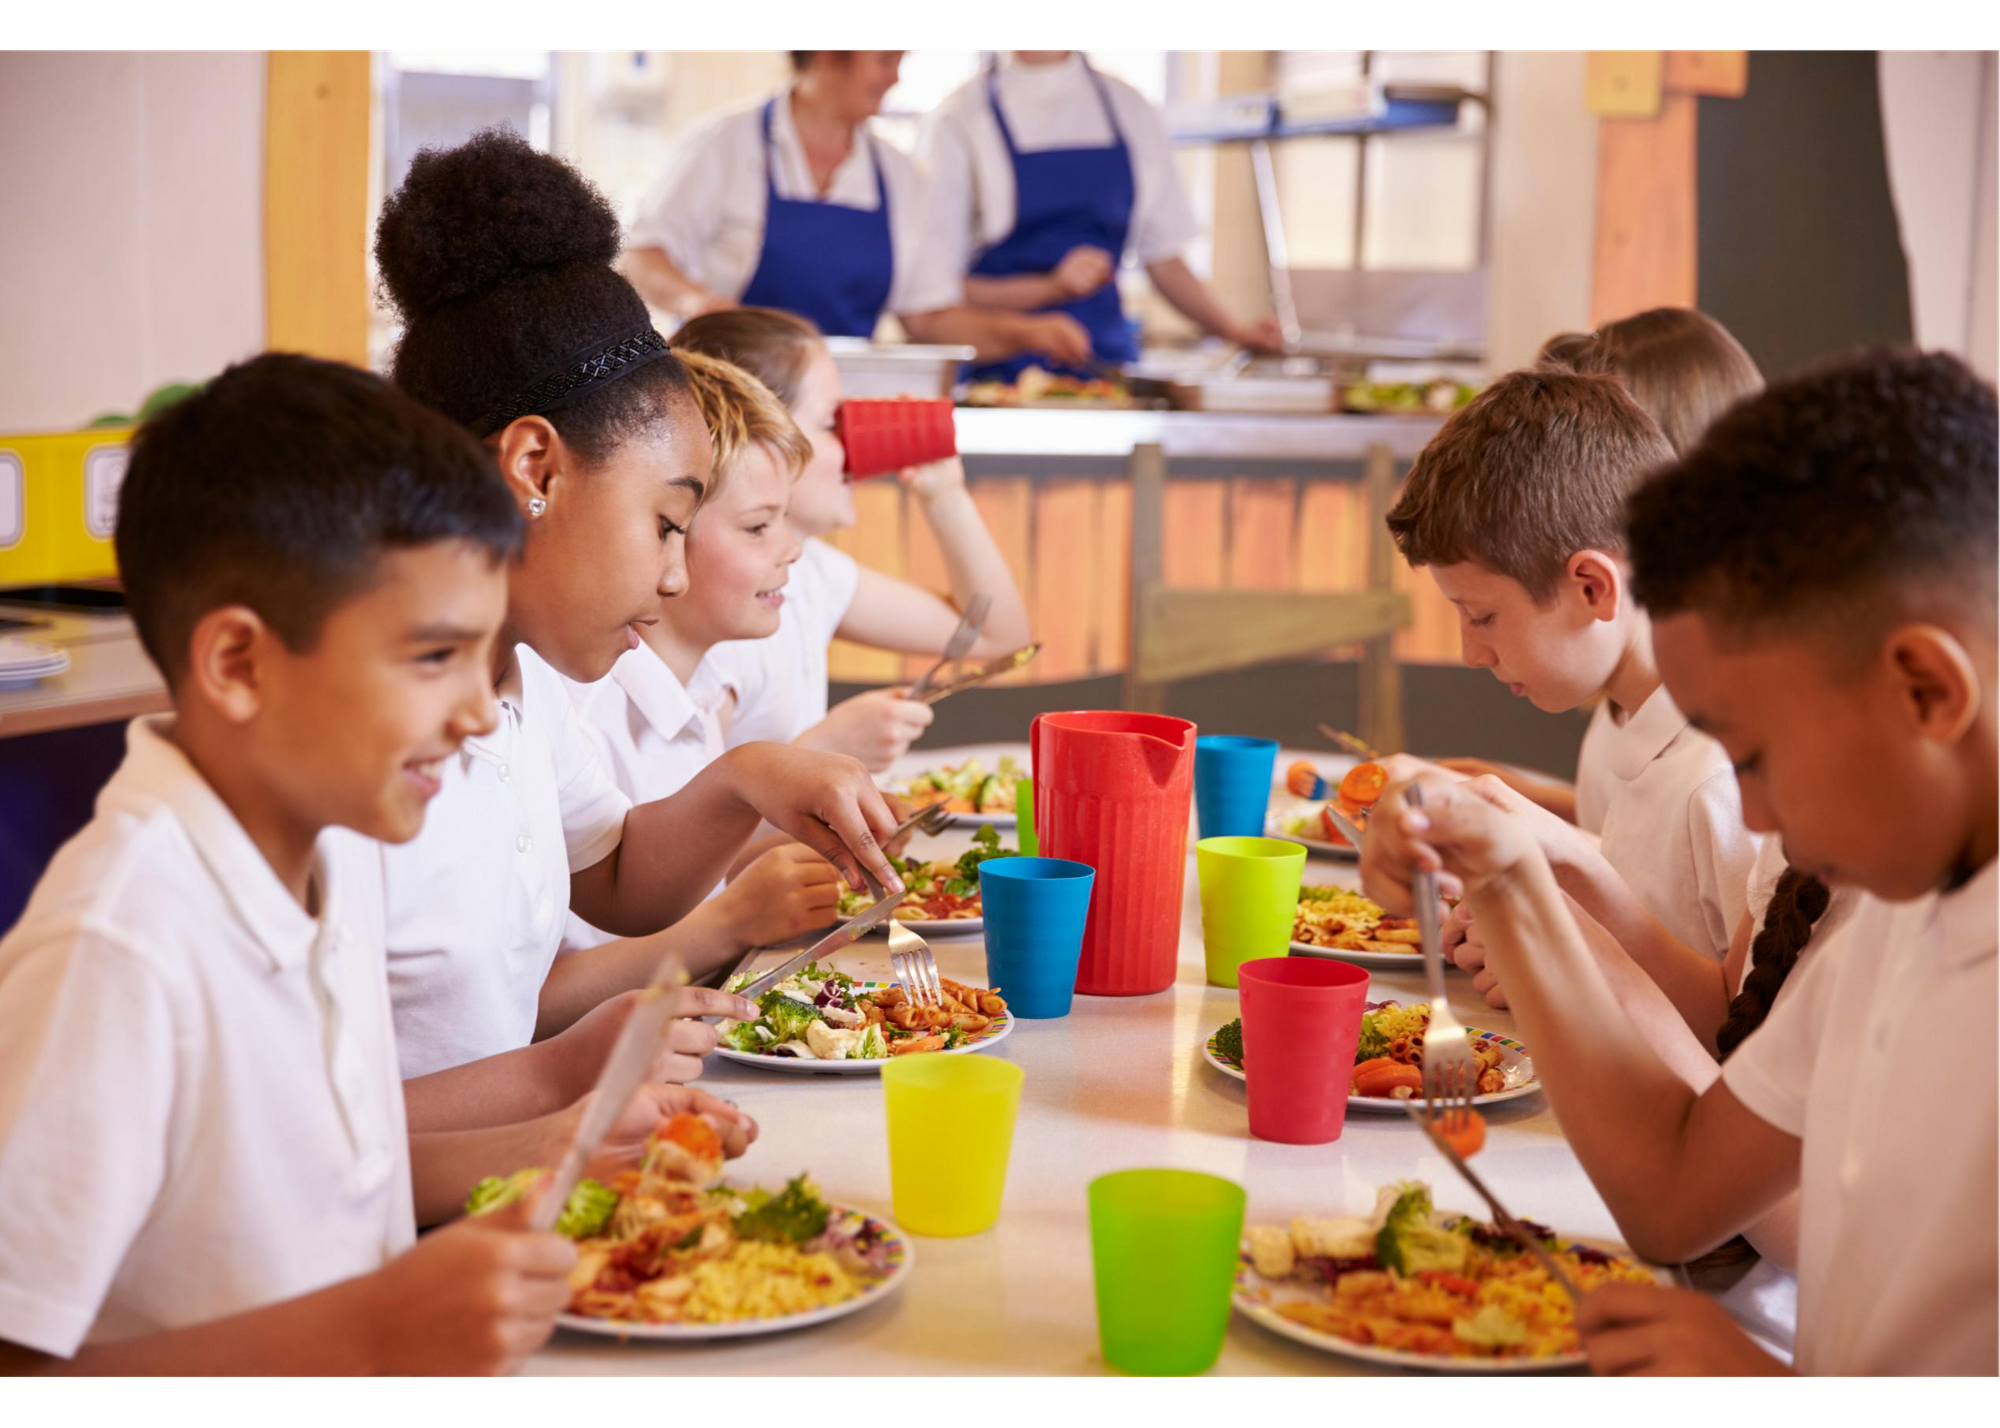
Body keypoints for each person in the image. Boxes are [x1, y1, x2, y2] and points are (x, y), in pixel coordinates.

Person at [0, 355, 755, 1376]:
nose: (482, 712)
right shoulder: (122, 945)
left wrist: (561, 1122)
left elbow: (327, 1181)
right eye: (431, 658)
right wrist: (369, 1331)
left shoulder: (323, 863)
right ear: (238, 664)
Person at [1361, 347, 2000, 1376]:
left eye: (1753, 754)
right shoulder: (1882, 924)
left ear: (1923, 690)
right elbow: (1670, 1190)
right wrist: (1510, 874)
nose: (1746, 806)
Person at [370, 131, 903, 1114]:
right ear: (533, 471)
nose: (671, 575)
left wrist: (751, 775)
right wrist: (566, 1088)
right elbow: (325, 1136)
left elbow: (609, 874)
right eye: (665, 523)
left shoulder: (529, 689)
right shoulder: (361, 756)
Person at [1383, 367, 1762, 966]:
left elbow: (1737, 1031)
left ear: (1591, 588)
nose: (1470, 653)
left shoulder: (1722, 785)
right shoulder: (1626, 709)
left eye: (1481, 617)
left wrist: (1552, 956)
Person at [562, 350, 845, 970]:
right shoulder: (583, 713)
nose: (792, 550)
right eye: (757, 527)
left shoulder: (705, 690)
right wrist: (735, 917)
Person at [1432, 307, 1765, 822]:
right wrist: (1505, 793)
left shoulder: (1720, 753)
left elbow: (1680, 835)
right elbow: (1627, 829)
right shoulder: (1625, 668)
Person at [677, 307, 1033, 770]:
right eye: (832, 423)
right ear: (763, 432)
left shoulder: (809, 571)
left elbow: (994, 636)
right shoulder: (715, 616)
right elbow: (682, 834)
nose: (855, 445)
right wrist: (825, 751)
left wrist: (946, 497)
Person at [623, 47, 1088, 369]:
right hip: (723, 405)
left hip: (838, 414)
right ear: (828, 54)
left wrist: (1025, 333)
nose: (895, 77)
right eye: (884, 60)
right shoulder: (722, 146)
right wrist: (697, 302)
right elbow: (642, 256)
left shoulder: (901, 176)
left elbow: (929, 318)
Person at [923, 46, 1284, 380]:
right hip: (994, 378)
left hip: (1106, 373)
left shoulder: (1128, 108)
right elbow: (936, 293)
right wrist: (1049, 289)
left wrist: (1234, 330)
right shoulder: (960, 117)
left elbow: (1165, 260)